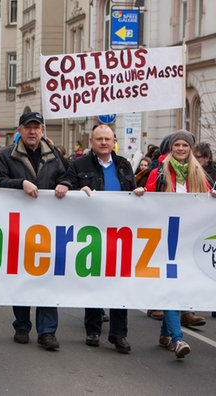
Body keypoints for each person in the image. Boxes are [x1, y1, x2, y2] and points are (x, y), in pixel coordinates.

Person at [133, 130, 216, 359]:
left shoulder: (198, 172)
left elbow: (205, 199)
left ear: (190, 149)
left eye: (185, 145)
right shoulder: (160, 172)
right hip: (163, 239)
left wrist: (212, 197)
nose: (181, 149)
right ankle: (178, 339)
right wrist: (142, 192)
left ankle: (165, 335)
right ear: (171, 148)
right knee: (171, 286)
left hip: (188, 240)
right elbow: (149, 194)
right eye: (177, 145)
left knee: (179, 286)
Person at [55, 124, 135, 354]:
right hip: (90, 231)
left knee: (120, 283)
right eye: (99, 139)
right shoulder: (79, 164)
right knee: (94, 278)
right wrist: (68, 186)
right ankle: (93, 329)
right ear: (91, 141)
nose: (103, 142)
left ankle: (119, 335)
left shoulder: (123, 164)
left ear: (114, 141)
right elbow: (68, 181)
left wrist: (137, 192)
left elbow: (131, 188)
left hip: (120, 232)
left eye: (107, 139)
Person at [0, 111, 66, 351]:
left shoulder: (55, 156)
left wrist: (64, 185)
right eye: (28, 127)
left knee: (48, 279)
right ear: (20, 131)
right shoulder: (7, 156)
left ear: (42, 131)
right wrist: (20, 184)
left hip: (49, 228)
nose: (32, 131)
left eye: (36, 127)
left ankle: (47, 332)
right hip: (19, 229)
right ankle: (22, 325)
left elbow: (68, 177)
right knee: (22, 277)